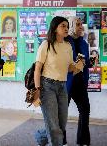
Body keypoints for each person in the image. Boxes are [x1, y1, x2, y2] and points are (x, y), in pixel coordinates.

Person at [34, 16, 84, 146]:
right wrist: (37, 90)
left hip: (62, 87)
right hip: (47, 86)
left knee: (60, 126)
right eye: (63, 26)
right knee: (54, 127)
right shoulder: (46, 44)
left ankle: (40, 136)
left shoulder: (68, 46)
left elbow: (69, 68)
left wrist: (79, 66)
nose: (66, 28)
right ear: (55, 28)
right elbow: (37, 69)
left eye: (67, 26)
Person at [66, 16, 91, 146]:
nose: (81, 27)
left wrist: (89, 63)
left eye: (81, 24)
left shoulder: (84, 43)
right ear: (71, 26)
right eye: (78, 24)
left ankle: (83, 141)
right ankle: (61, 141)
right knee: (62, 113)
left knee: (85, 109)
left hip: (80, 82)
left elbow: (84, 63)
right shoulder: (64, 42)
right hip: (66, 82)